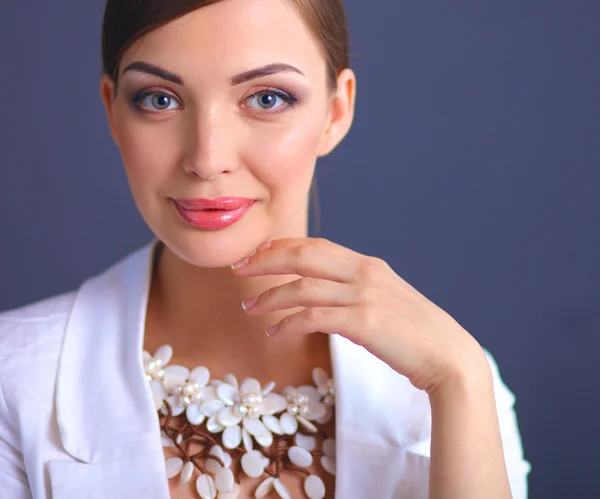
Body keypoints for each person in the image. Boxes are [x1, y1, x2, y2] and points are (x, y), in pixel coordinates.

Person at [0, 0, 531, 498]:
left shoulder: (453, 379)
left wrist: (460, 377)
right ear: (113, 112)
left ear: (336, 111)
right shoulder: (14, 377)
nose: (207, 159)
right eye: (160, 99)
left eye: (267, 98)